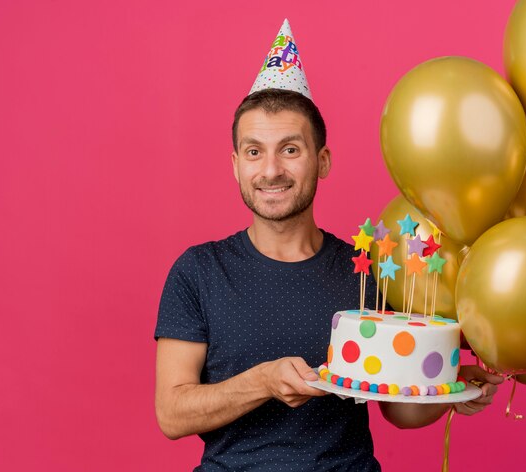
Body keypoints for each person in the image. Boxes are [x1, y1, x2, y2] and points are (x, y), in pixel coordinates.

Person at [154, 20, 503, 472]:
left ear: (323, 161)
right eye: (255, 151)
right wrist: (263, 381)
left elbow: (399, 410)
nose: (271, 170)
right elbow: (171, 413)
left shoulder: (369, 271)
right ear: (236, 165)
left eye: (291, 149)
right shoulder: (198, 272)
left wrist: (447, 388)